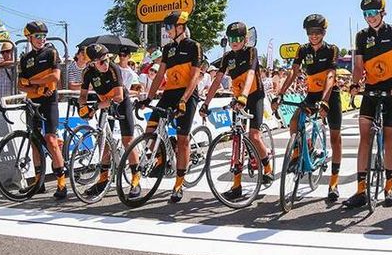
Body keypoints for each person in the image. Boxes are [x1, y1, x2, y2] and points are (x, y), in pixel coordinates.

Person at [345, 0, 392, 208]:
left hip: (391, 90)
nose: (370, 17)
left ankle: (389, 188)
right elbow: (359, 66)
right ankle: (360, 190)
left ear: (382, 12)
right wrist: (355, 84)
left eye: (373, 13)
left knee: (389, 137)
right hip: (371, 91)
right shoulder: (362, 36)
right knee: (364, 139)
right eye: (366, 14)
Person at [200, 21, 274, 200]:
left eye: (238, 38)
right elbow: (217, 81)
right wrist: (206, 103)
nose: (234, 42)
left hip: (254, 96)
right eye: (231, 38)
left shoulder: (251, 52)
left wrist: (244, 96)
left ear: (245, 39)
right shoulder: (227, 58)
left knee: (253, 136)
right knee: (236, 140)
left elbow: (250, 74)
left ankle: (268, 168)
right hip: (238, 99)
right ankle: (237, 185)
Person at [274, 14, 343, 202]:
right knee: (295, 120)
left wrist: (326, 101)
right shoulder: (303, 50)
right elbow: (293, 72)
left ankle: (334, 183)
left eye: (318, 32)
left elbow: (330, 75)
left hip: (331, 93)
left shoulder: (332, 49)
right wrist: (280, 93)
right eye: (310, 32)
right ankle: (296, 154)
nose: (313, 35)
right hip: (312, 94)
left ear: (324, 32)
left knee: (336, 138)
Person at [137, 11, 202, 203]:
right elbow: (159, 75)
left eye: (168, 27)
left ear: (180, 27)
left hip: (186, 94)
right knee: (151, 126)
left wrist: (184, 99)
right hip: (169, 93)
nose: (166, 31)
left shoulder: (194, 46)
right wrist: (148, 99)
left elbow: (195, 76)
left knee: (182, 139)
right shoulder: (168, 49)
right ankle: (158, 158)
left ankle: (179, 183)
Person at [77, 43, 141, 198]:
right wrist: (83, 106)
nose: (105, 64)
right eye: (101, 62)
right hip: (105, 103)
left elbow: (118, 97)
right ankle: (103, 179)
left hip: (121, 102)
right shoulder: (87, 72)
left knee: (128, 141)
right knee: (104, 142)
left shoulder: (114, 68)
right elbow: (83, 95)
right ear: (92, 63)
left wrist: (96, 106)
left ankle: (136, 179)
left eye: (106, 59)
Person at [18, 21, 66, 198]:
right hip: (33, 101)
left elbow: (55, 76)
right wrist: (36, 88)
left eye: (43, 36)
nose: (41, 39)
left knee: (51, 140)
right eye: (37, 36)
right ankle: (39, 182)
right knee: (34, 142)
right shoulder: (24, 58)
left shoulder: (51, 52)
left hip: (49, 101)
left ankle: (62, 183)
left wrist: (32, 82)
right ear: (29, 37)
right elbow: (20, 85)